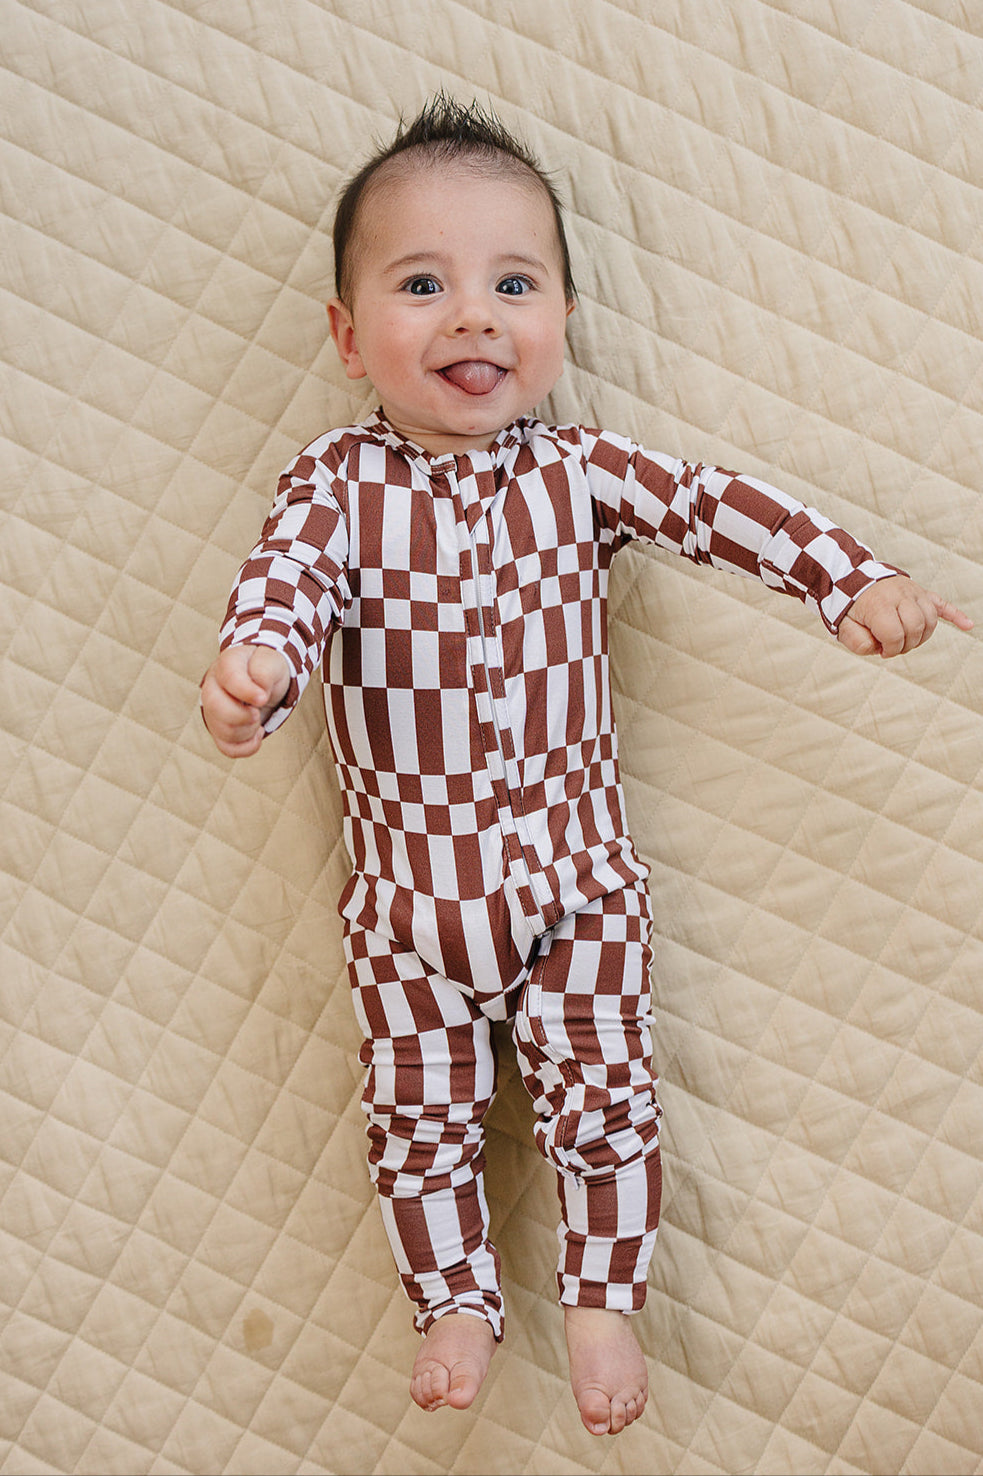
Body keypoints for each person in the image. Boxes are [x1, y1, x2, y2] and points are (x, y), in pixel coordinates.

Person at [199, 96, 972, 1437]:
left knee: (608, 1097)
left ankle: (604, 1296)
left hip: (577, 884)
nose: (473, 318)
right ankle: (454, 1295)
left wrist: (848, 578)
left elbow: (718, 506)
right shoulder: (336, 483)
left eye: (515, 285)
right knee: (416, 1118)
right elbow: (288, 585)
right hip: (411, 906)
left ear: (563, 315)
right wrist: (254, 671)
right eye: (422, 286)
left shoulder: (580, 472)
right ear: (347, 336)